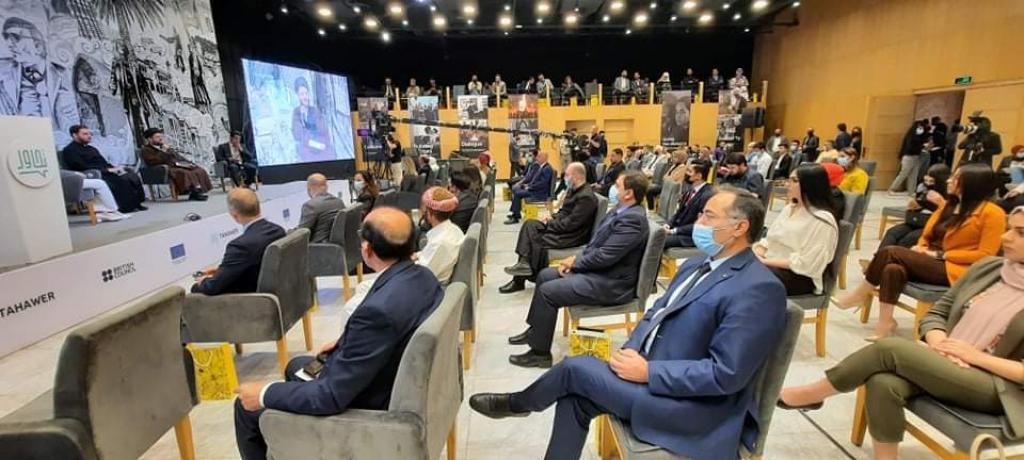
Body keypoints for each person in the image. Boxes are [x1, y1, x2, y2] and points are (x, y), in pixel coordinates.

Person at [470, 187, 787, 460]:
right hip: (656, 374)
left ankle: (519, 403)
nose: (698, 222)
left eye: (708, 216)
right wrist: (631, 352)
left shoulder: (758, 288)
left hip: (698, 408)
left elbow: (726, 374)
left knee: (574, 369)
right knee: (575, 397)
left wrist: (649, 372)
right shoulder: (696, 265)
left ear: (739, 227)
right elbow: (655, 313)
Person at [778, 206, 1024, 460]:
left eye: (1021, 233)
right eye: (1009, 229)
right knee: (883, 383)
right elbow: (938, 312)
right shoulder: (990, 269)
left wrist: (973, 356)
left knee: (890, 348)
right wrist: (940, 343)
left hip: (1002, 387)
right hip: (952, 359)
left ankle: (813, 393)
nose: (1006, 237)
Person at [233, 207, 443, 460]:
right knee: (296, 367)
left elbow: (330, 397)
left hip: (372, 401)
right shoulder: (423, 277)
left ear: (367, 249)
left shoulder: (377, 312)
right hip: (392, 375)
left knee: (247, 408)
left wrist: (264, 393)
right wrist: (347, 343)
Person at [837, 164, 1007, 339]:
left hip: (956, 268)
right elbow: (927, 234)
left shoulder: (993, 214)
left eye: (955, 178)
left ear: (972, 183)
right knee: (892, 268)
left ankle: (860, 294)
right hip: (930, 260)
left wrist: (940, 255)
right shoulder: (949, 205)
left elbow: (986, 255)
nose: (949, 181)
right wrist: (922, 247)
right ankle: (885, 322)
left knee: (891, 252)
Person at [505, 171, 651, 368]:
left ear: (629, 193)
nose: (613, 189)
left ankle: (540, 354)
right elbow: (596, 246)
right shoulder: (620, 210)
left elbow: (605, 256)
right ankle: (535, 332)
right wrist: (575, 261)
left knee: (549, 292)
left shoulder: (633, 220)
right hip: (600, 272)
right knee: (545, 275)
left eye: (618, 186)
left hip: (611, 283)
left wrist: (575, 264)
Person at [501, 163, 599, 293]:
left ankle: (520, 279)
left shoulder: (586, 197)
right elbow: (564, 212)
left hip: (572, 236)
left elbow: (571, 224)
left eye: (567, 175)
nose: (564, 178)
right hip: (564, 228)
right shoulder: (573, 190)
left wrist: (549, 224)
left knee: (533, 239)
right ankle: (523, 265)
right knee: (530, 224)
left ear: (576, 176)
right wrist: (551, 217)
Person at [754, 164, 840, 296]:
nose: (788, 184)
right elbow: (771, 238)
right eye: (789, 179)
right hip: (772, 263)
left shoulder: (823, 219)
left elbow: (809, 263)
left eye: (794, 180)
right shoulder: (789, 208)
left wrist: (765, 262)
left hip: (798, 275)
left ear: (809, 185)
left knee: (749, 280)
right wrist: (757, 253)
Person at [191, 189, 285, 296]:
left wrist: (203, 281)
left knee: (196, 290)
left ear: (234, 215)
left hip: (250, 298)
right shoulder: (278, 231)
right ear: (258, 207)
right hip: (277, 292)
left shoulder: (240, 246)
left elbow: (212, 287)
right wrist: (222, 270)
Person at [0, 17, 76, 128]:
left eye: (16, 37)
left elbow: (71, 117)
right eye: (6, 37)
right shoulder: (4, 70)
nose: (9, 44)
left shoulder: (62, 74)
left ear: (37, 45)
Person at [61, 125, 146, 213]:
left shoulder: (91, 148)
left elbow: (103, 162)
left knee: (130, 174)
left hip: (104, 170)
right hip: (91, 174)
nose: (89, 136)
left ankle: (137, 204)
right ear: (75, 135)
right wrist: (106, 170)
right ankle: (125, 207)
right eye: (85, 134)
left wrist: (115, 168)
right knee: (121, 180)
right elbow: (80, 166)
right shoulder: (69, 150)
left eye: (90, 134)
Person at [879, 164, 950, 249]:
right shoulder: (923, 187)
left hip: (933, 225)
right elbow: (915, 204)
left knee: (909, 239)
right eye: (928, 179)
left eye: (932, 181)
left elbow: (951, 213)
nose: (928, 183)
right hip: (917, 220)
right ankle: (880, 256)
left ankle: (894, 256)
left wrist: (940, 202)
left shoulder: (949, 193)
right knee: (892, 232)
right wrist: (914, 204)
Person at [140, 127, 212, 201]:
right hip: (164, 169)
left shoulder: (164, 146)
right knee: (185, 173)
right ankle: (195, 192)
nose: (160, 139)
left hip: (177, 165)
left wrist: (189, 163)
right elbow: (152, 161)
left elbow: (178, 156)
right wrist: (163, 151)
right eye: (157, 137)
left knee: (198, 170)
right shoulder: (146, 150)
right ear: (150, 139)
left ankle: (197, 191)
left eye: (160, 136)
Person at [415, 187, 464, 285]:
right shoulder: (454, 229)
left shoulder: (439, 242)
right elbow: (432, 256)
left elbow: (420, 276)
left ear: (430, 213)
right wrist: (417, 255)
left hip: (430, 288)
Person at [663, 160, 714, 248]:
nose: (686, 173)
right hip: (679, 228)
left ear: (699, 176)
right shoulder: (690, 190)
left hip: (690, 236)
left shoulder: (707, 195)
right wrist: (668, 224)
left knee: (658, 241)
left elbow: (700, 224)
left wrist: (674, 231)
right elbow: (679, 212)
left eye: (689, 171)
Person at [290, 77, 333, 163]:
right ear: (297, 96)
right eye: (301, 94)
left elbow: (324, 131)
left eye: (306, 93)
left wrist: (322, 144)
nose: (305, 97)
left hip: (322, 148)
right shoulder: (296, 113)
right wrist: (303, 116)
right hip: (308, 151)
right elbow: (298, 134)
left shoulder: (315, 111)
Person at [506, 150, 554, 224]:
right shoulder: (542, 167)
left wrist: (530, 187)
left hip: (539, 193)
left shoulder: (547, 168)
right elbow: (535, 180)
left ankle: (515, 217)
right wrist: (528, 185)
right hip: (536, 190)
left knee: (518, 193)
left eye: (539, 157)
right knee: (518, 191)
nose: (537, 158)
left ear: (544, 158)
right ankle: (516, 214)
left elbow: (542, 184)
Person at [298, 173, 345, 244]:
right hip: (337, 245)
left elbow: (301, 234)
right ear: (326, 186)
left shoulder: (310, 205)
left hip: (317, 246)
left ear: (309, 188)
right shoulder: (339, 202)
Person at [888, 120, 928, 195]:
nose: (920, 129)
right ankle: (892, 188)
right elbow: (910, 148)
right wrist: (922, 146)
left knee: (913, 175)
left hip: (916, 157)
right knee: (904, 173)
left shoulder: (919, 137)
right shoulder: (911, 136)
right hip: (908, 157)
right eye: (919, 127)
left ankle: (911, 191)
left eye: (922, 128)